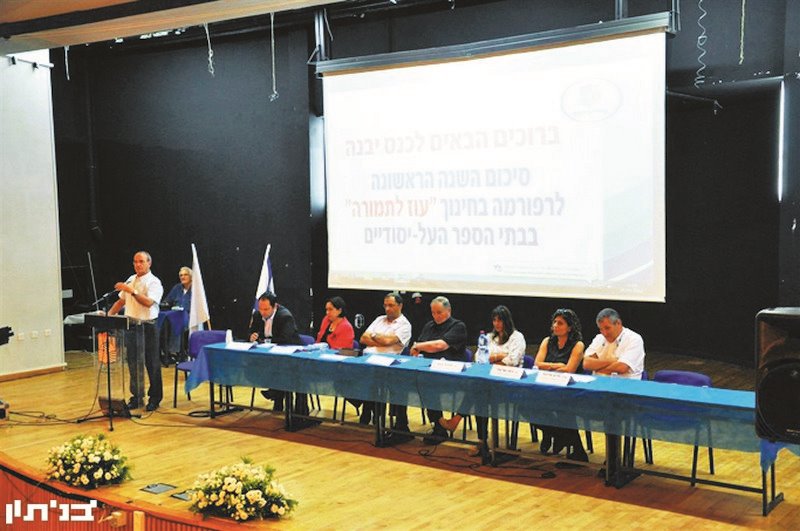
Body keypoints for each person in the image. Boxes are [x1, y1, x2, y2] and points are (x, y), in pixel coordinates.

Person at [441, 305, 525, 457]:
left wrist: (492, 359)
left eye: (500, 320)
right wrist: (499, 356)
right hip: (488, 381)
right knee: (478, 392)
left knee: (477, 390)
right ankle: (482, 440)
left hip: (510, 383)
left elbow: (512, 361)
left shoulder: (517, 337)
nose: (497, 324)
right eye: (494, 320)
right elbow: (479, 358)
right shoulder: (489, 337)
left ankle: (465, 426)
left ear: (507, 321)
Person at [108, 251, 164, 412]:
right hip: (131, 326)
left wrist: (132, 291)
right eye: (135, 261)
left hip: (148, 326)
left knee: (151, 363)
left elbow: (148, 303)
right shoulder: (131, 280)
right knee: (133, 364)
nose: (137, 264)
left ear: (149, 263)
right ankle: (137, 397)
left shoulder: (154, 282)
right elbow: (121, 301)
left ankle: (155, 398)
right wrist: (108, 316)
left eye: (141, 261)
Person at [410, 296, 467, 445]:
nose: (436, 316)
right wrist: (417, 349)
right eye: (433, 313)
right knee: (415, 380)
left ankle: (440, 426)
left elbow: (439, 346)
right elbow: (418, 347)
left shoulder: (458, 326)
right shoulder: (429, 326)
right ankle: (402, 424)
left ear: (449, 310)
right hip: (429, 371)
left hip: (453, 374)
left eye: (439, 312)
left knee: (429, 382)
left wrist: (419, 346)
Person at [534, 308, 588, 461]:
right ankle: (556, 434)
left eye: (560, 323)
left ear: (569, 327)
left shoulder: (578, 345)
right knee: (526, 405)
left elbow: (569, 369)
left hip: (570, 391)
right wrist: (557, 365)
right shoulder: (547, 341)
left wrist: (548, 366)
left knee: (562, 409)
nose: (555, 326)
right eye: (554, 322)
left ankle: (575, 449)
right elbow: (538, 363)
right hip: (547, 387)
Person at [359, 292, 412, 433]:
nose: (387, 308)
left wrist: (374, 336)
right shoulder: (379, 319)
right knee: (349, 378)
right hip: (367, 360)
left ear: (400, 306)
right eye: (385, 305)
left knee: (373, 382)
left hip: (388, 364)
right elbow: (363, 338)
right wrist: (381, 340)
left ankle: (373, 413)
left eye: (391, 305)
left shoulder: (404, 325)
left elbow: (388, 341)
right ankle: (368, 410)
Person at [250, 291, 302, 413]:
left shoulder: (285, 316)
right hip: (269, 355)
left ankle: (276, 393)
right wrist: (252, 336)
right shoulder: (257, 315)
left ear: (275, 306)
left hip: (289, 353)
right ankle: (276, 394)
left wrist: (263, 340)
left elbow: (285, 339)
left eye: (266, 309)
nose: (262, 312)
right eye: (260, 309)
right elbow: (251, 332)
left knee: (280, 368)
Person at [583, 308, 645, 380]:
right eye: (601, 329)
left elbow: (622, 367)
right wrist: (613, 361)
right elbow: (586, 363)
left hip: (625, 384)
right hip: (599, 382)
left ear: (618, 323)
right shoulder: (599, 338)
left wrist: (597, 368)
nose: (604, 333)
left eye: (607, 328)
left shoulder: (634, 339)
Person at [160, 266, 192, 365]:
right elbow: (167, 300)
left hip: (190, 317)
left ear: (191, 276)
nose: (183, 277)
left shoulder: (196, 289)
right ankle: (165, 353)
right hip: (175, 315)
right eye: (181, 275)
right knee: (162, 322)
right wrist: (164, 304)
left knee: (177, 322)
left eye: (185, 275)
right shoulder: (177, 288)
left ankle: (177, 352)